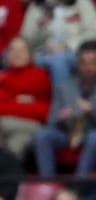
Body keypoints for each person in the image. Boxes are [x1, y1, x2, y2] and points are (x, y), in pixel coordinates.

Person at [0, 36, 53, 159]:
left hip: (28, 124)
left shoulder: (39, 74)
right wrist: (17, 99)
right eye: (12, 50)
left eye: (22, 50)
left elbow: (42, 112)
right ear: (6, 54)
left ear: (30, 55)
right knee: (15, 143)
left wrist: (4, 99)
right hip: (11, 129)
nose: (16, 54)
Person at [33, 41, 96, 178]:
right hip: (68, 132)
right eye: (83, 62)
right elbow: (51, 119)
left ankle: (79, 182)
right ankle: (47, 183)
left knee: (94, 137)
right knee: (42, 135)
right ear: (77, 64)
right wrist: (60, 117)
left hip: (91, 131)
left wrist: (91, 110)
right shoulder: (65, 85)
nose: (88, 67)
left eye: (92, 62)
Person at [20, 0, 96, 87]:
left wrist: (67, 45)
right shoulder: (37, 6)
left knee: (58, 60)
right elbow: (25, 40)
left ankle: (63, 98)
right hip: (43, 52)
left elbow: (93, 33)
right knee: (18, 58)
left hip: (75, 51)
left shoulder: (82, 3)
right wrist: (39, 25)